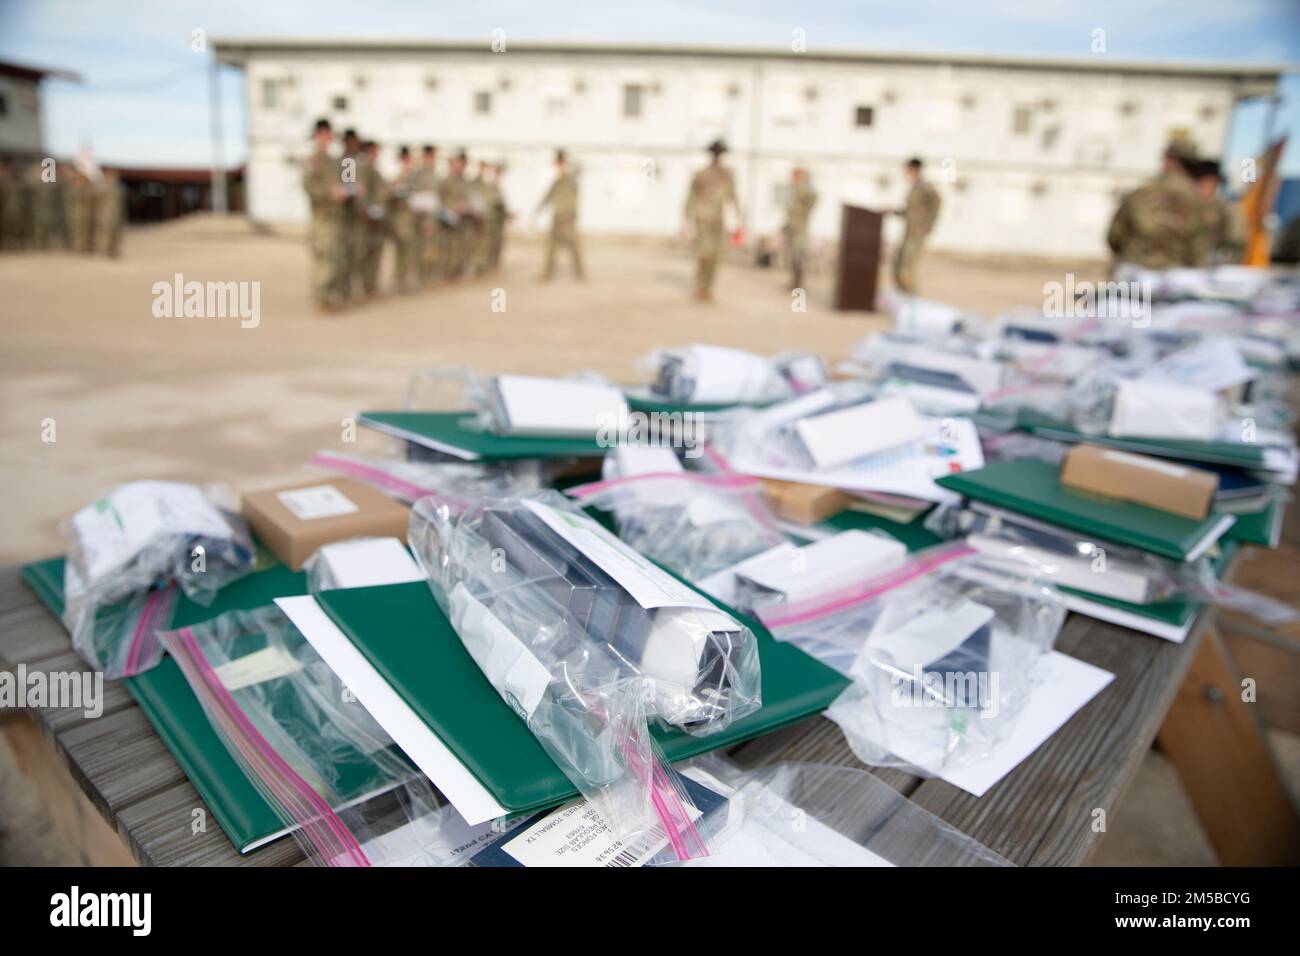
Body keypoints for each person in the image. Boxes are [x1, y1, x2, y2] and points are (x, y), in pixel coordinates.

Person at [1106, 141, 1209, 272]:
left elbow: (1115, 235)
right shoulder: (1200, 200)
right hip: (1179, 279)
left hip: (1137, 272)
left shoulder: (1143, 192)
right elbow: (1202, 247)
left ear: (1169, 161)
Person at [683, 140, 741, 302]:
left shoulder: (727, 175)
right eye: (715, 154)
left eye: (719, 154)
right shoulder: (701, 175)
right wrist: (687, 219)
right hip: (703, 219)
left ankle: (708, 288)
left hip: (718, 219)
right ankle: (700, 286)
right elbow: (691, 196)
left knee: (716, 255)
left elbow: (733, 196)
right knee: (704, 254)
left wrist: (739, 218)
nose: (717, 157)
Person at [301, 118, 348, 312]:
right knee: (324, 259)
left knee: (336, 259)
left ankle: (331, 297)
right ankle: (321, 299)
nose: (326, 138)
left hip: (338, 217)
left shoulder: (339, 161)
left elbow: (349, 181)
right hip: (322, 218)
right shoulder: (312, 161)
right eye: (322, 134)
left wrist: (351, 190)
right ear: (316, 136)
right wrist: (330, 193)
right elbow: (309, 187)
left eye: (328, 134)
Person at [892, 157, 941, 294]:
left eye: (907, 169)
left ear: (914, 169)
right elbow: (910, 211)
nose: (905, 172)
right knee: (898, 264)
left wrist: (928, 226)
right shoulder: (914, 188)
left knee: (906, 268)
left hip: (917, 234)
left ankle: (912, 299)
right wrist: (894, 211)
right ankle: (904, 296)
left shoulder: (925, 187)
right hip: (909, 232)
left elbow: (936, 204)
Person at [536, 149, 583, 281]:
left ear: (564, 163)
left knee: (572, 245)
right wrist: (538, 210)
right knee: (551, 246)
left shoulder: (571, 179)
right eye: (557, 163)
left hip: (567, 218)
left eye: (560, 162)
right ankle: (547, 273)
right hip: (557, 217)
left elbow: (574, 198)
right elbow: (547, 196)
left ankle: (580, 272)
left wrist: (571, 214)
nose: (558, 166)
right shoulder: (557, 181)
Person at [1191, 158, 1246, 266]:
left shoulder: (1226, 208)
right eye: (1201, 181)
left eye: (1209, 181)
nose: (1205, 186)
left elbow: (1237, 239)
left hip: (1212, 266)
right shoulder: (1186, 204)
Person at [356, 140, 388, 298]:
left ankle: (370, 287)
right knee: (360, 255)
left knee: (375, 255)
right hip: (363, 221)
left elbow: (382, 192)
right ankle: (357, 288)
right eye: (374, 151)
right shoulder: (356, 168)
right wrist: (365, 208)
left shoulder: (376, 171)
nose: (377, 155)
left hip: (377, 221)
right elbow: (356, 193)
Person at [388, 146, 418, 294]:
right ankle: (399, 281)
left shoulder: (415, 178)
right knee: (400, 253)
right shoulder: (397, 179)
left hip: (413, 221)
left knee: (411, 252)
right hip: (400, 222)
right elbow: (389, 199)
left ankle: (407, 281)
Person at [438, 150, 471, 280]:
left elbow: (468, 197)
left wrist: (464, 205)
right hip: (447, 219)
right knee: (447, 246)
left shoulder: (464, 181)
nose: (461, 166)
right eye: (459, 163)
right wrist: (452, 206)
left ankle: (456, 272)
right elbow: (440, 198)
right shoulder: (446, 180)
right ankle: (446, 272)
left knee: (459, 246)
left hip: (461, 219)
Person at [783, 166, 817, 291]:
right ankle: (794, 282)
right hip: (792, 227)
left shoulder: (805, 189)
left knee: (799, 256)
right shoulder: (795, 190)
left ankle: (799, 284)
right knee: (793, 256)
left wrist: (804, 214)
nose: (792, 178)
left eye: (795, 176)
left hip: (800, 229)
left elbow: (813, 198)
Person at [411, 145, 440, 287]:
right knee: (419, 250)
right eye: (429, 157)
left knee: (430, 251)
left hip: (431, 218)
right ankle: (418, 277)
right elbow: (415, 195)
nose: (432, 160)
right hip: (420, 218)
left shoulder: (434, 174)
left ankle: (427, 277)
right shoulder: (418, 174)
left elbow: (435, 198)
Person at [93, 167, 127, 257]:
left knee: (116, 234)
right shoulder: (101, 187)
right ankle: (103, 251)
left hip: (116, 214)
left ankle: (113, 250)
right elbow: (96, 200)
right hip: (105, 214)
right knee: (104, 234)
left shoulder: (119, 187)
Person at [483, 162, 509, 273]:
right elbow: (490, 202)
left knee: (498, 244)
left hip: (499, 220)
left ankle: (494, 264)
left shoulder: (498, 187)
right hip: (491, 220)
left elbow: (501, 205)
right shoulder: (490, 187)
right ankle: (488, 265)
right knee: (490, 243)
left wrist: (507, 214)